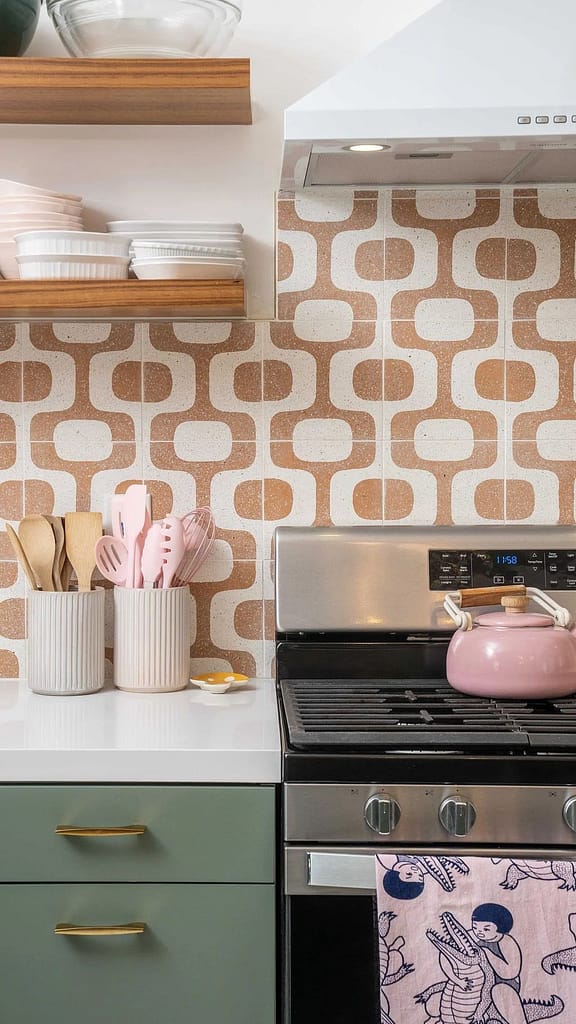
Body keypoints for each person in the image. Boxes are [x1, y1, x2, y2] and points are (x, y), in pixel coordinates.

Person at [470, 903, 527, 1024]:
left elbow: (511, 973)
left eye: (486, 929)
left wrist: (486, 953)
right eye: (475, 927)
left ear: (501, 928)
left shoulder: (506, 941)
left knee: (498, 990)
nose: (479, 932)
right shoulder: (479, 942)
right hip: (484, 983)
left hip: (505, 984)